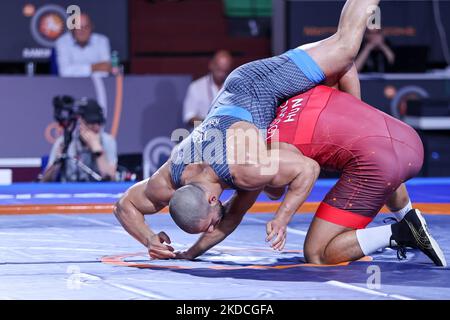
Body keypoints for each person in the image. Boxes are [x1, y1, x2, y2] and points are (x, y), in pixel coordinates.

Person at [113, 0, 382, 260]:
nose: (210, 229)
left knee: (345, 46)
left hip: (257, 85)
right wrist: (152, 240)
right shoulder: (169, 178)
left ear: (210, 198)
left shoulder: (244, 169)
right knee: (274, 186)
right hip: (233, 98)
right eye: (205, 230)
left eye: (206, 225)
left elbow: (308, 169)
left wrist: (282, 218)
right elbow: (124, 205)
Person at [174, 85, 446, 267]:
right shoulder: (297, 92)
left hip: (380, 165)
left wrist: (282, 218)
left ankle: (401, 232)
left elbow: (306, 172)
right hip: (409, 140)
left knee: (316, 253)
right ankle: (408, 216)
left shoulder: (264, 154)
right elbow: (346, 63)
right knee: (367, 152)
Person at [42, 99, 117, 182]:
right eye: (91, 122)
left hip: (97, 193)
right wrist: (59, 157)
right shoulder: (64, 141)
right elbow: (45, 181)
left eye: (99, 123)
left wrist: (97, 150)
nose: (97, 127)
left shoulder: (108, 141)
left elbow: (111, 179)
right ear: (80, 122)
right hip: (69, 192)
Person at [182, 50, 234, 129]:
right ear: (211, 65)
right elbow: (189, 117)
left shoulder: (234, 87)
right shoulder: (196, 87)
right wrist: (208, 124)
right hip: (202, 137)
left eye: (225, 71)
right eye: (219, 70)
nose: (222, 74)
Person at [55, 13, 112, 77]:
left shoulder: (102, 41)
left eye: (86, 27)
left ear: (92, 27)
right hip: (70, 84)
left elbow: (106, 71)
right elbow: (64, 72)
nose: (82, 31)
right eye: (78, 27)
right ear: (72, 29)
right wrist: (93, 68)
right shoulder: (62, 42)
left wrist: (76, 70)